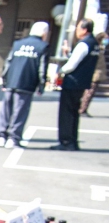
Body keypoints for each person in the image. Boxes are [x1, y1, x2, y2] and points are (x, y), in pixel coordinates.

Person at [0, 21, 50, 149]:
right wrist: (41, 85)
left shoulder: (18, 44)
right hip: (27, 83)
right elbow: (42, 68)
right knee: (20, 112)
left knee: (6, 110)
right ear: (44, 33)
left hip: (11, 81)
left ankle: (1, 136)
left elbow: (8, 63)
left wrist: (4, 80)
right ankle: (13, 138)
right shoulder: (43, 47)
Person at [53, 18, 101, 150]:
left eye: (78, 28)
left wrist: (60, 71)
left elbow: (72, 65)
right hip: (82, 82)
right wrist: (68, 53)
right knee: (74, 112)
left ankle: (66, 141)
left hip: (73, 82)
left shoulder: (83, 44)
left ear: (84, 30)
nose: (76, 30)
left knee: (67, 113)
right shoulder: (94, 43)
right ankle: (73, 141)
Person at [80, 32, 107, 116]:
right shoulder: (96, 48)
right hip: (95, 74)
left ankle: (83, 109)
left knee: (90, 93)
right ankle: (82, 109)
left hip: (98, 73)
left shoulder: (100, 48)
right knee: (89, 93)